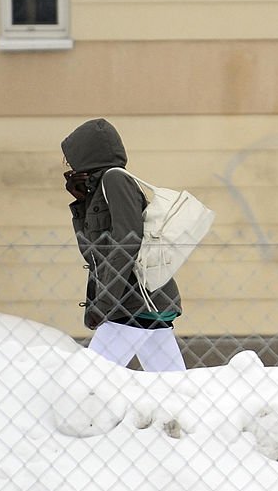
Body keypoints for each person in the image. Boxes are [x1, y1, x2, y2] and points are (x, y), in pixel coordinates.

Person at [61, 118, 186, 371]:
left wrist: (105, 303)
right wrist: (82, 203)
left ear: (87, 154)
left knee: (90, 378)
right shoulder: (101, 187)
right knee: (173, 386)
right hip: (144, 303)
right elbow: (92, 252)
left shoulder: (115, 180)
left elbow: (127, 242)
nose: (67, 164)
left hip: (132, 302)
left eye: (70, 157)